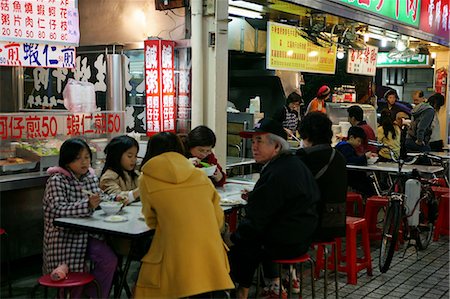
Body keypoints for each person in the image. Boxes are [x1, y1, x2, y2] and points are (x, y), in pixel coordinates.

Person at [224, 118, 320, 299]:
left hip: (287, 242)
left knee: (243, 244)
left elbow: (257, 219)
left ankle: (239, 291)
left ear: (276, 146)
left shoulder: (276, 172)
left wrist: (233, 239)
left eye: (259, 141)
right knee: (251, 237)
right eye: (252, 141)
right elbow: (278, 203)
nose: (254, 147)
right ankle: (265, 287)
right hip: (302, 236)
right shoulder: (292, 165)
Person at [135, 132, 234, 298]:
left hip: (174, 254)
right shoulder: (199, 174)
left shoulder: (146, 178)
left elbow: (151, 221)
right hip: (210, 252)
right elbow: (218, 219)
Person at [42, 138, 117, 298]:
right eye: (78, 158)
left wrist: (116, 200)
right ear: (67, 161)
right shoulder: (57, 180)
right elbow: (57, 209)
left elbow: (101, 196)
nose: (84, 162)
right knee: (72, 277)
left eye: (87, 157)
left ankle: (95, 295)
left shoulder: (89, 177)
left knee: (109, 260)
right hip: (64, 238)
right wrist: (87, 205)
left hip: (88, 234)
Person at [297, 112, 347, 241]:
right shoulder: (339, 156)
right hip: (336, 223)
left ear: (306, 134)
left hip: (312, 226)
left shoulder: (305, 156)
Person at [336, 126, 376, 197]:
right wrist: (365, 157)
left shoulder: (344, 146)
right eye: (359, 141)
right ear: (351, 137)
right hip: (350, 180)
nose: (360, 144)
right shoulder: (345, 147)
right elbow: (351, 161)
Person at [100, 135, 140, 204]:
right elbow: (117, 197)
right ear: (117, 155)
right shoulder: (108, 178)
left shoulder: (134, 174)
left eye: (135, 156)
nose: (134, 159)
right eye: (129, 156)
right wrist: (141, 190)